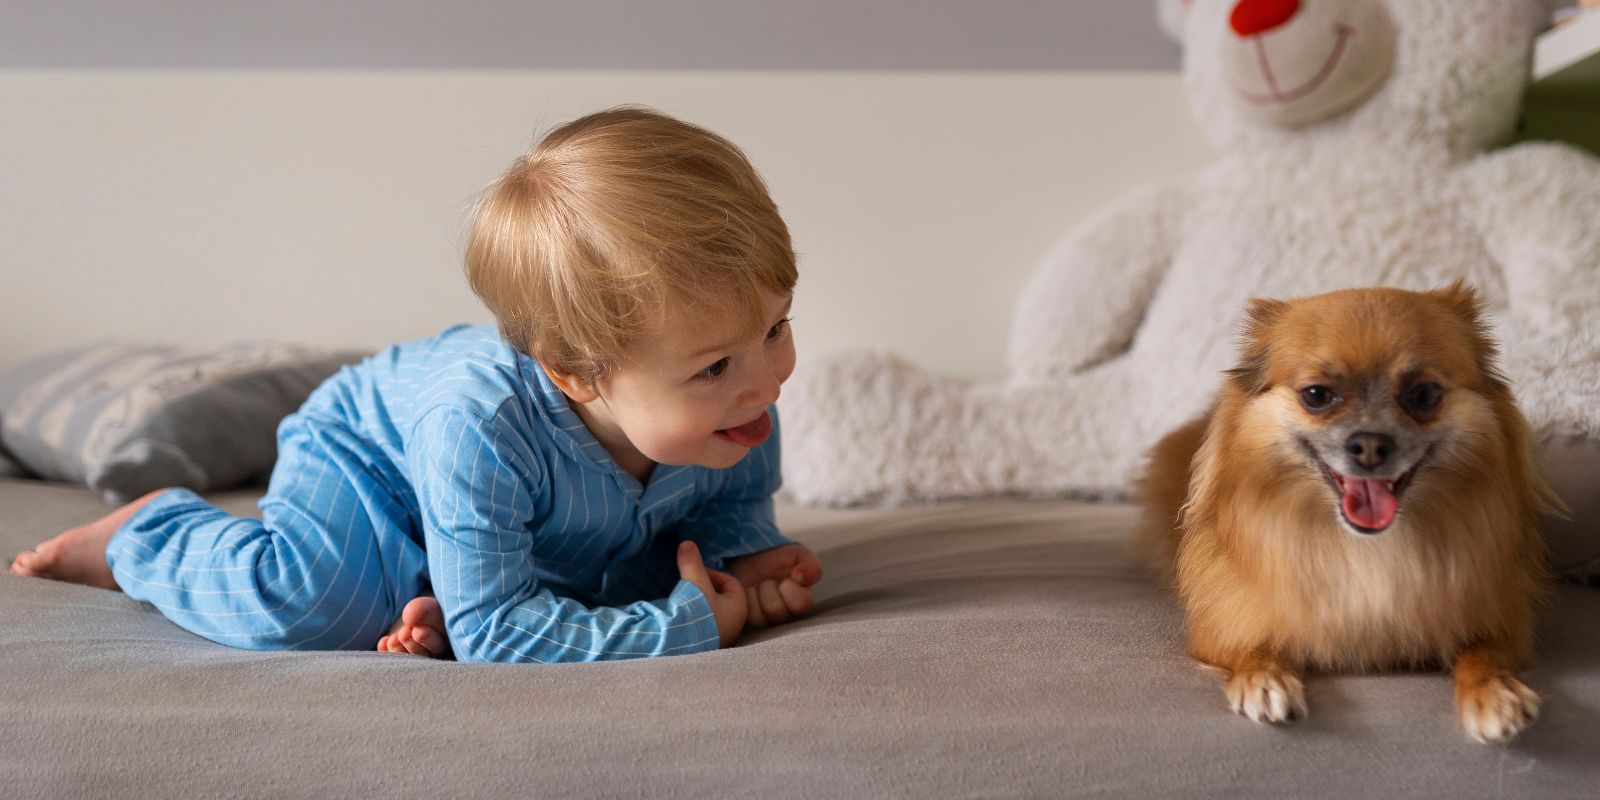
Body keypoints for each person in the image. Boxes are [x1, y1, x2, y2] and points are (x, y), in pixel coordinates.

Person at [10, 106, 821, 663]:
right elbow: (498, 638)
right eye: (716, 365)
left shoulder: (731, 408)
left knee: (635, 573)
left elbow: (726, 507)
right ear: (575, 372)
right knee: (310, 606)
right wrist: (685, 626)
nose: (766, 382)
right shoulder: (481, 423)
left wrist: (744, 560)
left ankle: (438, 585)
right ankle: (146, 534)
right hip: (373, 463)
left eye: (775, 328)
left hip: (512, 514)